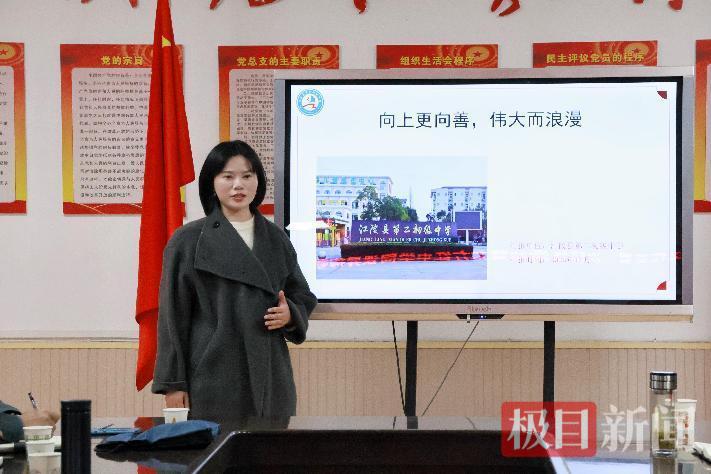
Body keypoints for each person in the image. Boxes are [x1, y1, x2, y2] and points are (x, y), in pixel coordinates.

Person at [151, 140, 317, 422]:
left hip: (270, 376)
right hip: (211, 376)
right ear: (212, 182)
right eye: (227, 176)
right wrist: (173, 384)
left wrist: (290, 313)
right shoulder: (188, 241)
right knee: (214, 449)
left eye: (247, 176)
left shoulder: (275, 237)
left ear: (258, 181)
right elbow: (172, 317)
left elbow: (302, 295)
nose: (238, 185)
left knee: (270, 448)